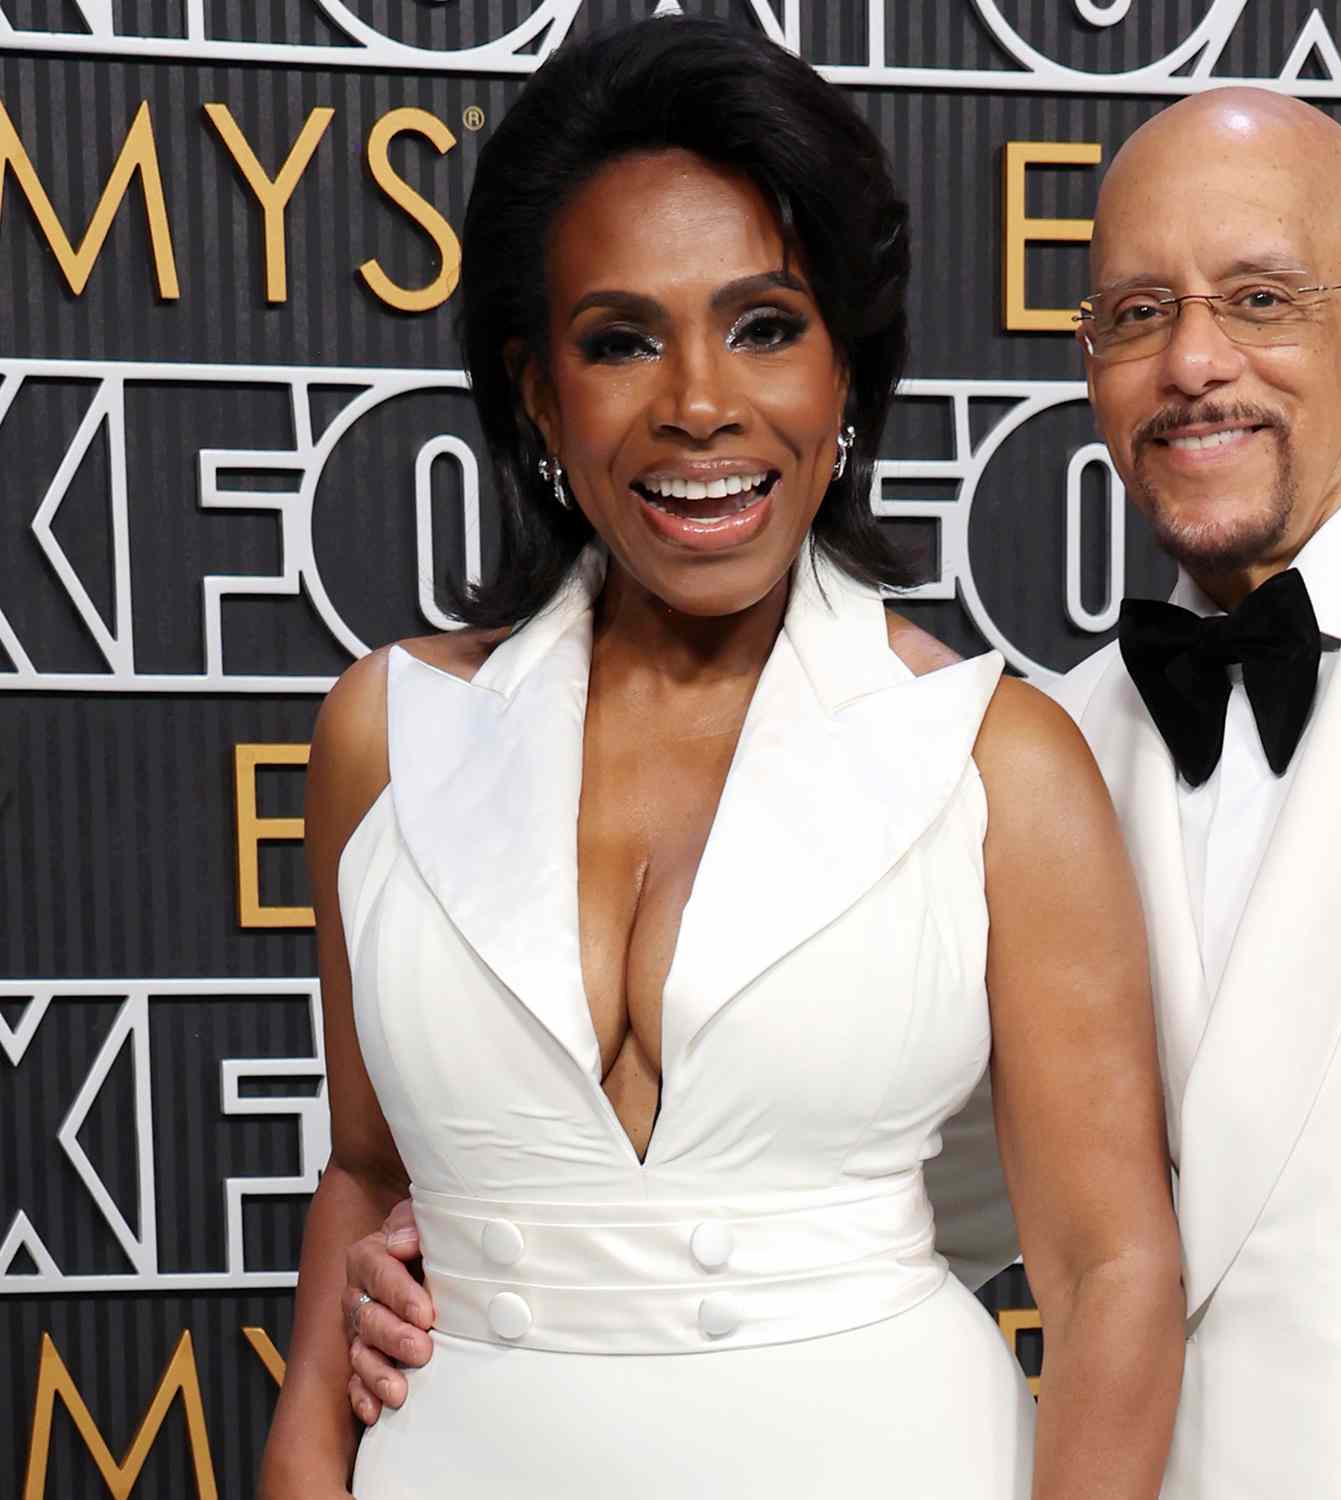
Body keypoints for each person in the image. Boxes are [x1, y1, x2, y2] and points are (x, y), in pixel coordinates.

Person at [344, 81, 1341, 1499]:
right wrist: (480, 1257)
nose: (1194, 362)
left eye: (1262, 299)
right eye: (1136, 312)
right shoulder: (1052, 741)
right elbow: (881, 1171)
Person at [258, 18, 1183, 1500]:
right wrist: (304, 1464)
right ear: (541, 395)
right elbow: (368, 1177)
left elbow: (1108, 1264)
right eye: (622, 339)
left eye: (764, 325)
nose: (699, 402)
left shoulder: (994, 759)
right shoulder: (389, 733)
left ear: (847, 380)